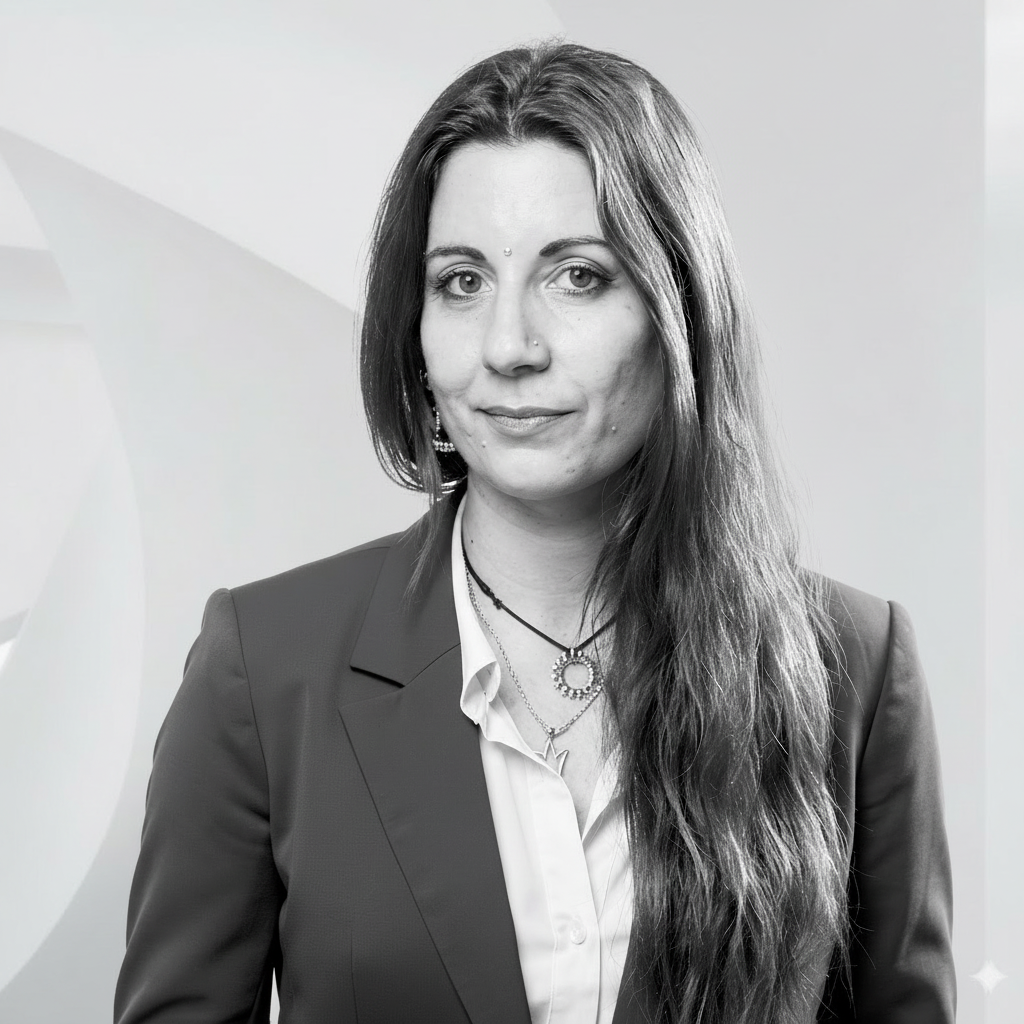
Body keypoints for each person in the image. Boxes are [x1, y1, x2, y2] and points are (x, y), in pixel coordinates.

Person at [114, 42, 955, 1024]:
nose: (509, 347)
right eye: (461, 281)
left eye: (578, 277)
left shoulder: (852, 667)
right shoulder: (264, 670)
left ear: (678, 309)